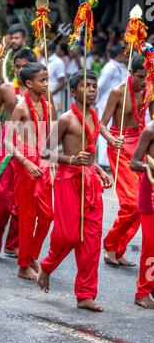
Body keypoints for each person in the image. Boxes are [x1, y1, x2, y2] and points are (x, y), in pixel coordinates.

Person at [38, 70, 112, 312]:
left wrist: (100, 172)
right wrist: (71, 160)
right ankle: (47, 266)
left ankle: (85, 294)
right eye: (85, 86)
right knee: (69, 235)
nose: (91, 89)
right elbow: (45, 152)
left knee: (91, 240)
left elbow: (89, 157)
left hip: (90, 180)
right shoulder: (66, 119)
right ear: (73, 92)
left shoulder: (94, 116)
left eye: (94, 85)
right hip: (67, 180)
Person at [100, 56, 154, 266]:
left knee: (143, 203)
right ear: (131, 73)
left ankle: (117, 248)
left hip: (140, 145)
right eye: (141, 76)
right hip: (120, 146)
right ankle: (110, 243)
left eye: (147, 76)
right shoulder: (118, 92)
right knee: (131, 203)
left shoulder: (149, 90)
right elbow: (102, 124)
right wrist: (112, 140)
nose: (144, 81)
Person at [0, 48, 38, 258]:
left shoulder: (41, 90)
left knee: (23, 197)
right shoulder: (6, 89)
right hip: (8, 146)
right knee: (1, 195)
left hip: (31, 146)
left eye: (24, 67)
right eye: (17, 66)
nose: (20, 70)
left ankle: (13, 244)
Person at [4, 63, 54, 280]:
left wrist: (50, 160)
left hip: (42, 163)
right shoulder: (21, 108)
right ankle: (23, 265)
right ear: (28, 83)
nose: (46, 84)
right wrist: (26, 162)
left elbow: (49, 138)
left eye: (46, 79)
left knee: (48, 215)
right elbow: (6, 141)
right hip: (25, 164)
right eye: (42, 80)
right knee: (27, 217)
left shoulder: (48, 106)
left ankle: (31, 254)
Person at [131, 122, 154, 309]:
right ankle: (142, 292)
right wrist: (149, 167)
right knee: (150, 245)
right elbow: (134, 163)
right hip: (151, 191)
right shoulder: (150, 129)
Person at [96, 45, 128, 168]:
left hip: (118, 106)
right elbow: (100, 86)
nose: (127, 57)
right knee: (106, 131)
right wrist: (95, 103)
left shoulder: (122, 67)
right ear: (120, 54)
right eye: (126, 54)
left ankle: (113, 160)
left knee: (115, 132)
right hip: (106, 105)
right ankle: (105, 162)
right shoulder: (109, 67)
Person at [45, 41, 66, 114]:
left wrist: (51, 93)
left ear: (47, 49)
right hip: (43, 97)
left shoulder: (58, 62)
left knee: (53, 122)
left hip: (54, 98)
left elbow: (62, 82)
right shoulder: (43, 60)